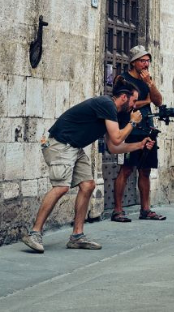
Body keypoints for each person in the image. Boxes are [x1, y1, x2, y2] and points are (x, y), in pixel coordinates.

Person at [21, 78, 154, 253]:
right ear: (123, 97)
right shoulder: (107, 104)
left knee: (88, 185)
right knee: (61, 187)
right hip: (60, 144)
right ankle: (34, 233)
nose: (135, 106)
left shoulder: (114, 112)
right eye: (134, 100)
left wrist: (139, 145)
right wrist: (133, 122)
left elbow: (113, 147)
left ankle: (77, 236)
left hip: (75, 147)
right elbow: (116, 138)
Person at [112, 45, 166, 222]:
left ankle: (146, 209)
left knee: (145, 170)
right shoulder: (123, 80)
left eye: (148, 61)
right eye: (142, 61)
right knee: (126, 169)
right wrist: (146, 100)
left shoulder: (147, 80)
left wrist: (150, 84)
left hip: (147, 128)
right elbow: (128, 104)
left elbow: (158, 101)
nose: (146, 64)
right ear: (134, 62)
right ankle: (118, 210)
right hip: (130, 129)